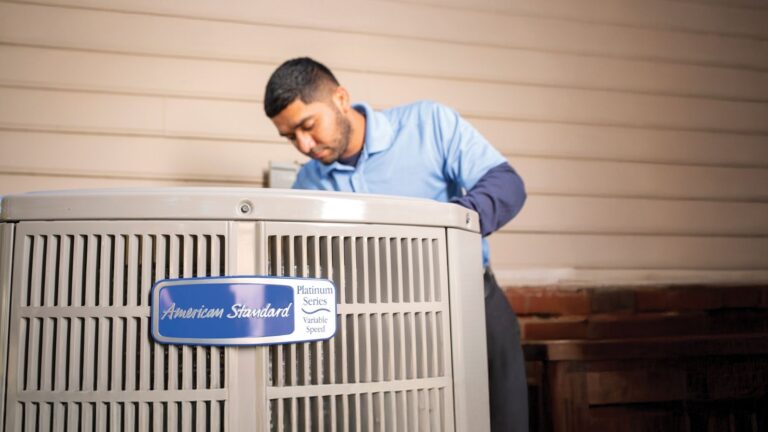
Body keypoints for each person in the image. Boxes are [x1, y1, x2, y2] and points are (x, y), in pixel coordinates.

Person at [264, 57, 528, 432]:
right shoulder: (308, 182)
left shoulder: (430, 124)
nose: (303, 145)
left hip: (468, 304)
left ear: (340, 98)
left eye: (308, 126)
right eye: (290, 137)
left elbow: (507, 184)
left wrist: (448, 226)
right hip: (371, 333)